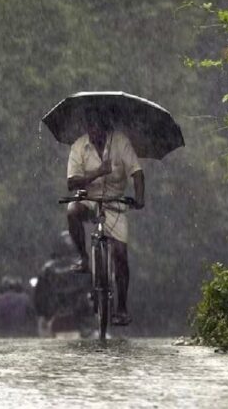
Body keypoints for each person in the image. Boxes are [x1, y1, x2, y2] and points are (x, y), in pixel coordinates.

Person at [66, 107, 144, 326]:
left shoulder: (121, 143)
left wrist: (139, 198)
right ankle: (83, 258)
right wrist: (98, 172)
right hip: (89, 199)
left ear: (107, 128)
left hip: (115, 203)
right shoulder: (79, 146)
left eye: (98, 130)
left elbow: (137, 173)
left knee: (120, 254)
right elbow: (72, 183)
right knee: (72, 211)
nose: (94, 134)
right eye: (91, 129)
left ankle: (121, 307)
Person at [34, 231, 93, 337]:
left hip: (54, 318)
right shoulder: (83, 267)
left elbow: (39, 298)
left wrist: (43, 315)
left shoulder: (47, 269)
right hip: (80, 320)